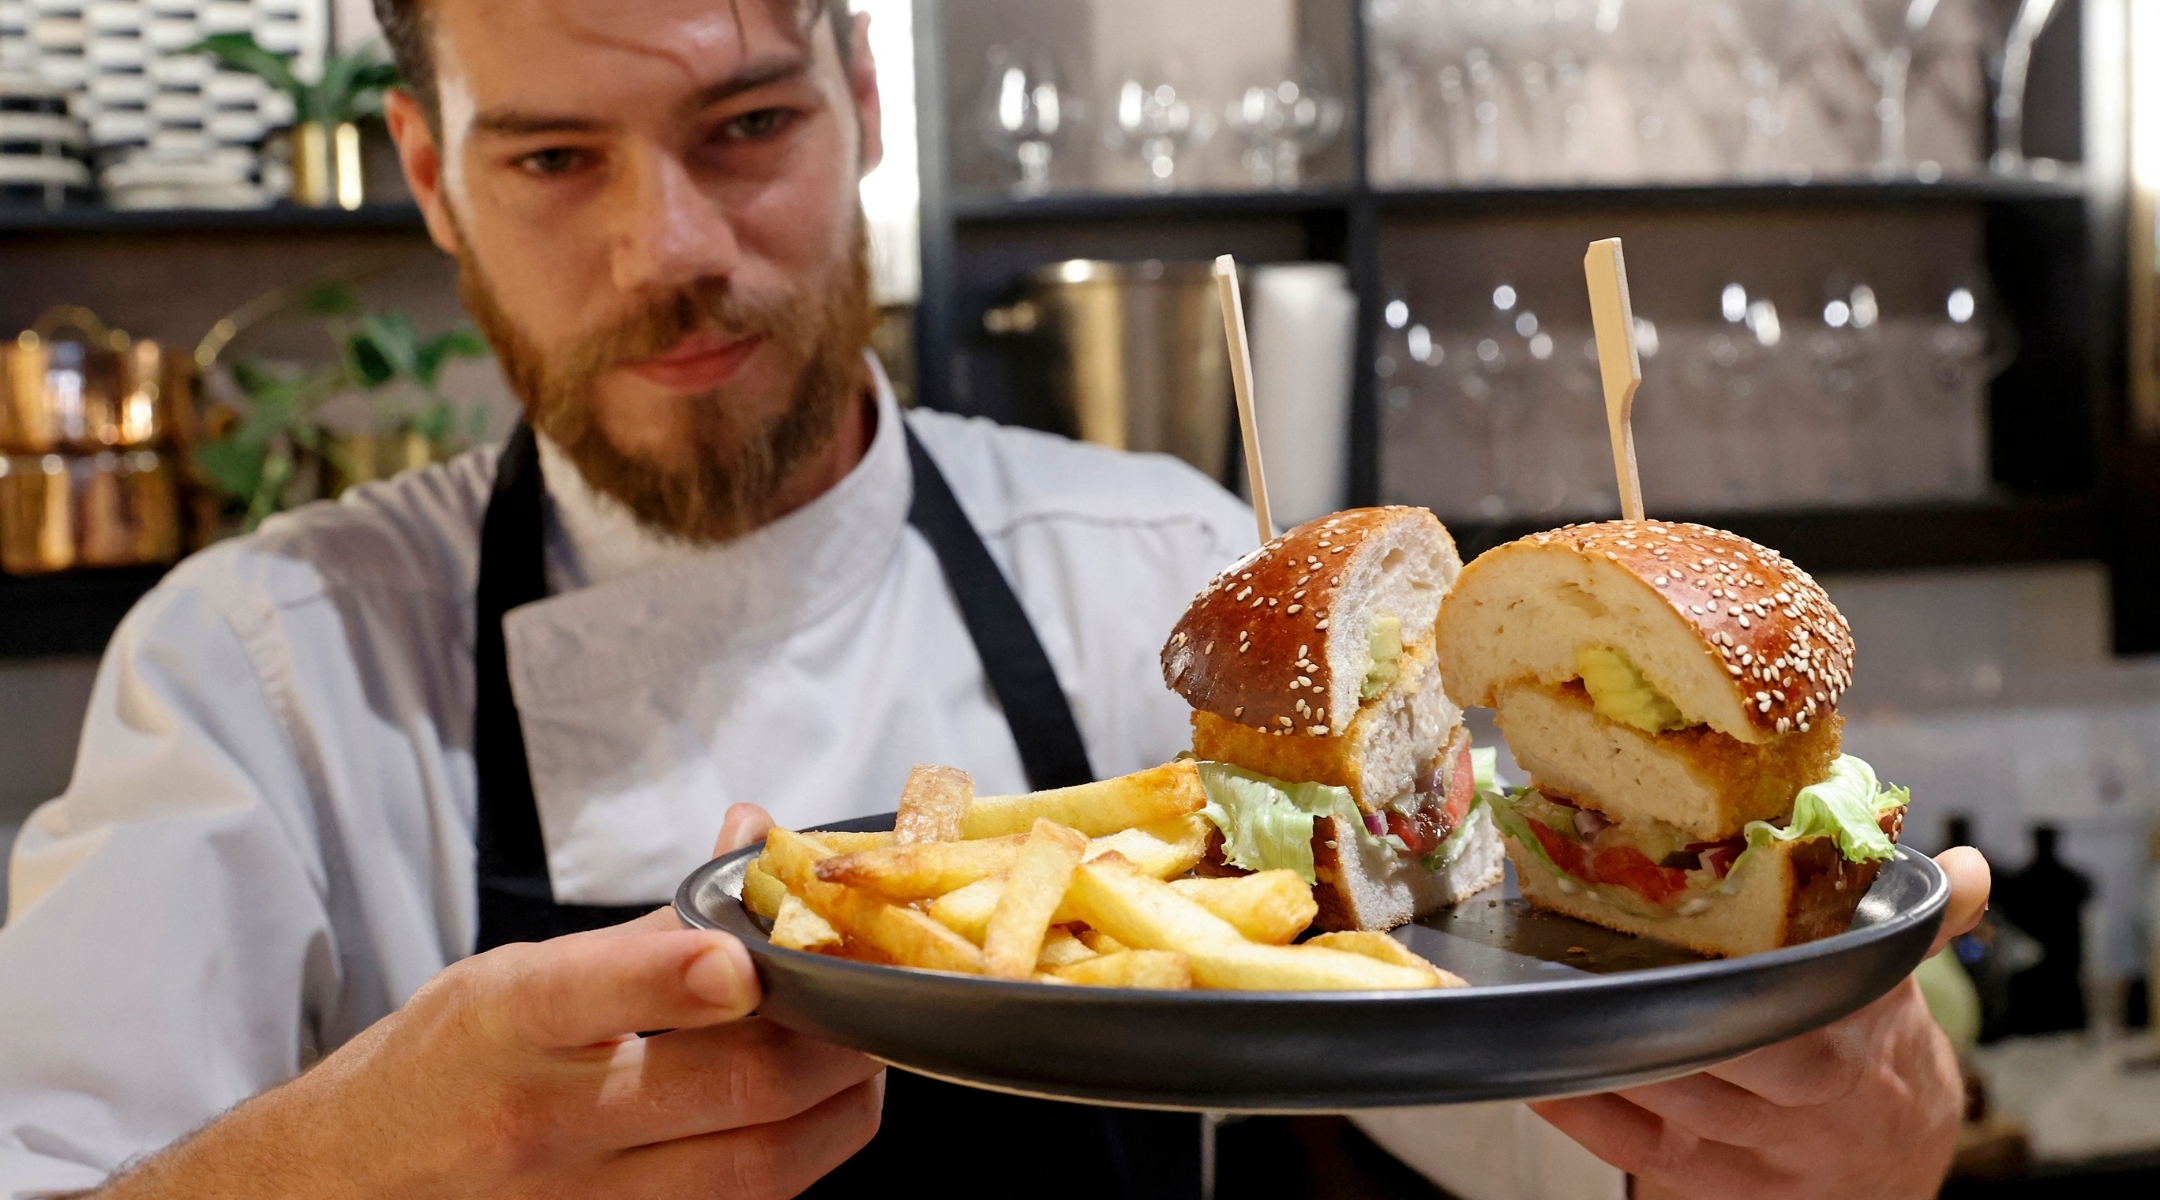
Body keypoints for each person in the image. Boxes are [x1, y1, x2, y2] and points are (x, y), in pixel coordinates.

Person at [0, 2, 1989, 1198]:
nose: (669, 245)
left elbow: (1501, 1097)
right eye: (548, 157)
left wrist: (1824, 1127)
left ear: (866, 97)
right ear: (427, 177)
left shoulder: (1158, 565)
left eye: (747, 124)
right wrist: (348, 1167)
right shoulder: (252, 671)